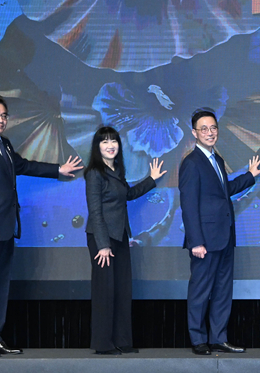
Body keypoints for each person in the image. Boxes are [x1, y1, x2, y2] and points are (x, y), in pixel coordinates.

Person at [0, 95, 83, 357]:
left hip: (4, 226)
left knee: (0, 285)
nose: (0, 120)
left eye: (3, 115)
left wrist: (57, 170)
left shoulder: (4, 143)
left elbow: (23, 165)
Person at [179, 108, 260, 355]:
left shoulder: (216, 159)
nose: (210, 132)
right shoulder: (191, 163)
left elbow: (224, 190)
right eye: (204, 129)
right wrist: (196, 241)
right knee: (200, 291)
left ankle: (218, 338)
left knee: (223, 291)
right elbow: (188, 205)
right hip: (204, 241)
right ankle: (198, 339)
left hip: (224, 237)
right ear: (194, 133)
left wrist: (249, 176)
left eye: (213, 128)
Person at [84, 126, 166, 355]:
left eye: (114, 141)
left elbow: (128, 194)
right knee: (105, 291)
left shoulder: (116, 170)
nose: (110, 145)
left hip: (119, 235)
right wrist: (103, 245)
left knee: (121, 289)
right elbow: (95, 211)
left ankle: (121, 340)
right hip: (102, 239)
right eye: (105, 141)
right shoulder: (94, 173)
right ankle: (103, 344)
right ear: (97, 146)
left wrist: (151, 179)